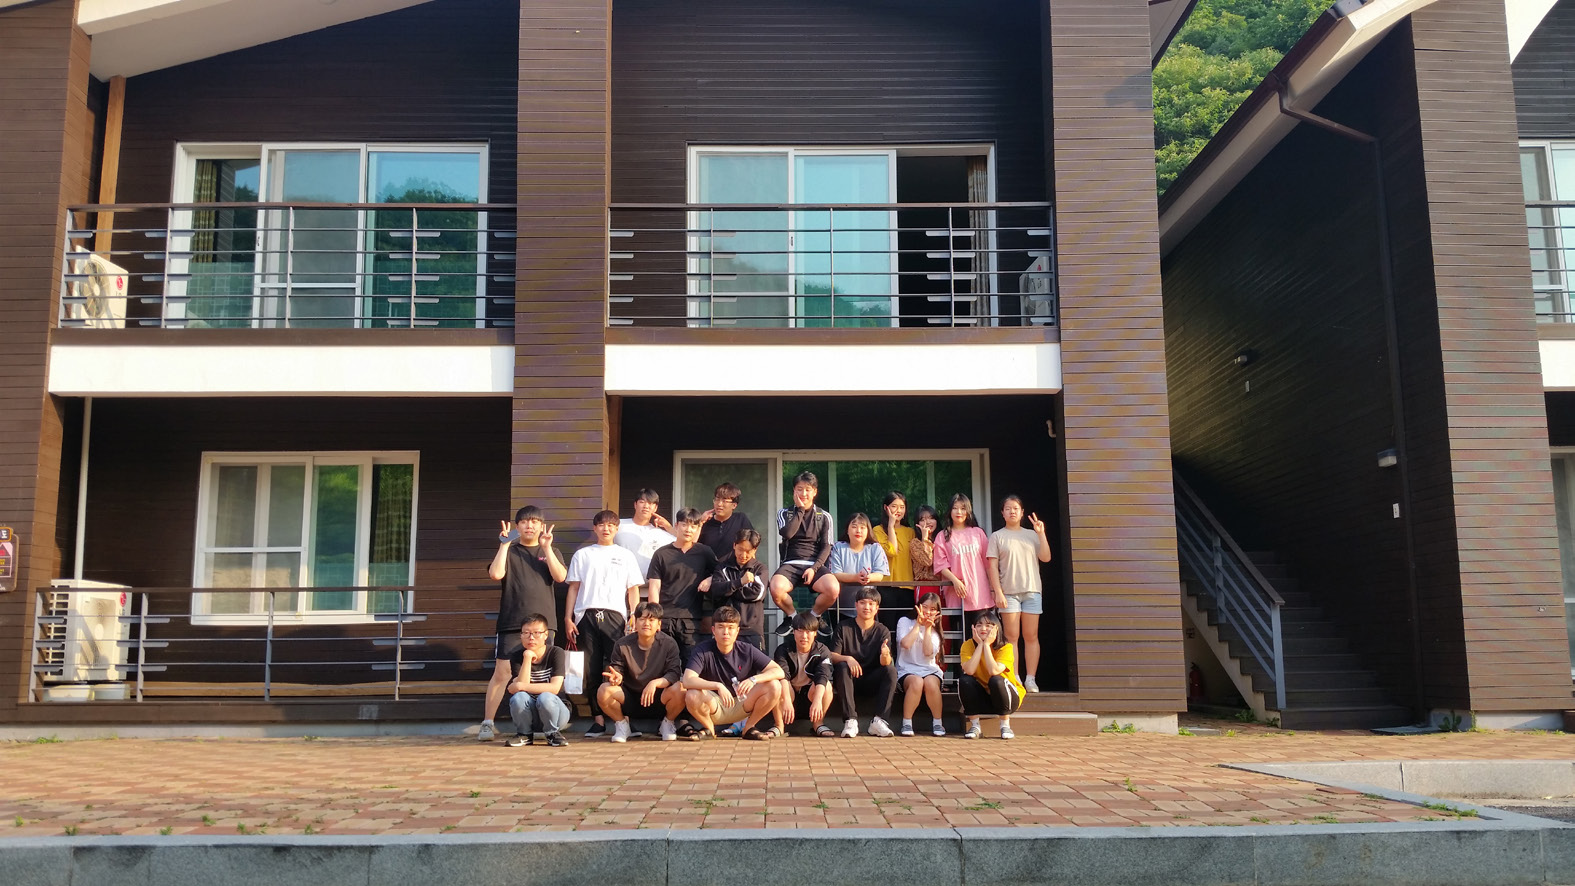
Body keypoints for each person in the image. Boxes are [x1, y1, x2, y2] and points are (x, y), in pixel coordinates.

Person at [477, 506, 566, 742]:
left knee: (542, 675)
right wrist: (504, 545)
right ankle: (487, 723)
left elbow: (560, 577)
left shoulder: (552, 550)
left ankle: (547, 725)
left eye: (535, 521)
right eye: (525, 522)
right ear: (517, 526)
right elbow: (496, 574)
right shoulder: (510, 550)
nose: (530, 525)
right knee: (502, 672)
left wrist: (547, 548)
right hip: (511, 621)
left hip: (543, 625)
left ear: (542, 526)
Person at [564, 509, 646, 738]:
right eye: (601, 524)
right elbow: (573, 588)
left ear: (617, 529)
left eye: (610, 525)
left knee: (619, 668)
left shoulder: (625, 555)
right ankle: (598, 720)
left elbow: (633, 589)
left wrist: (633, 615)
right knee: (590, 669)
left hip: (615, 616)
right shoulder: (583, 554)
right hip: (586, 615)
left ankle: (624, 719)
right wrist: (568, 618)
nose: (606, 528)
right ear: (595, 528)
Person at [682, 605, 785, 739]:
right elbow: (688, 679)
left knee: (774, 685)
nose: (726, 632)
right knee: (692, 694)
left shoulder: (747, 649)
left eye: (730, 628)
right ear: (713, 630)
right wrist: (717, 686)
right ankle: (709, 730)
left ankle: (749, 728)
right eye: (721, 627)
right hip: (714, 703)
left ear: (737, 631)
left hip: (743, 702)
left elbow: (778, 671)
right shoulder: (702, 650)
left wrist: (753, 680)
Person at [987, 496, 1052, 693]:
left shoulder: (1032, 534)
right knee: (1011, 637)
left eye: (1016, 508)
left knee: (1031, 636)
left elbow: (1046, 557)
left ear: (1022, 512)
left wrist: (1041, 533)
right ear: (1002, 513)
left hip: (1032, 591)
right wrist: (998, 592)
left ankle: (1030, 679)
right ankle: (1014, 677)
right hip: (1009, 593)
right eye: (1008, 508)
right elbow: (992, 567)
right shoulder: (997, 536)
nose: (1012, 511)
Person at [598, 601, 688, 742]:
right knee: (604, 690)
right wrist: (616, 678)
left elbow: (674, 673)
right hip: (630, 698)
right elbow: (617, 669)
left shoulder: (669, 644)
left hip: (659, 697)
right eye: (642, 619)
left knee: (681, 689)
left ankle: (667, 723)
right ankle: (622, 725)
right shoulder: (622, 644)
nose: (646, 623)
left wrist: (655, 683)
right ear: (635, 622)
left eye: (651, 620)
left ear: (659, 624)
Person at [769, 471, 839, 637]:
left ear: (815, 492)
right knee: (776, 588)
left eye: (808, 489)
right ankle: (793, 618)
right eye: (799, 489)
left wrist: (814, 568)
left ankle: (815, 617)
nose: (804, 493)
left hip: (815, 563)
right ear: (794, 491)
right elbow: (787, 534)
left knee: (833, 589)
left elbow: (826, 546)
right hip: (790, 563)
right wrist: (800, 510)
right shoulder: (784, 513)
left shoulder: (824, 516)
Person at [645, 508, 717, 666]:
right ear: (676, 525)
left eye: (693, 526)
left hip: (691, 620)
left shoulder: (704, 552)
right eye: (684, 524)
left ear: (697, 529)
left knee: (691, 665)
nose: (688, 529)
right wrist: (655, 618)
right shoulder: (661, 554)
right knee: (661, 664)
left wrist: (710, 579)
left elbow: (720, 573)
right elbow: (654, 587)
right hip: (664, 618)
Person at [829, 586, 897, 738]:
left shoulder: (882, 630)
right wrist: (848, 658)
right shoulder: (843, 627)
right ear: (856, 605)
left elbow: (885, 663)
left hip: (872, 680)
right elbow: (832, 655)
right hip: (849, 680)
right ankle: (850, 720)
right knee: (842, 666)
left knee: (891, 670)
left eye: (871, 604)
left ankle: (879, 721)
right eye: (863, 603)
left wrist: (885, 654)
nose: (867, 607)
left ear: (877, 608)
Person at [933, 493, 1001, 633]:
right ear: (949, 511)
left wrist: (994, 589)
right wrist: (955, 581)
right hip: (956, 594)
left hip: (979, 594)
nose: (959, 512)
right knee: (960, 637)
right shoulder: (942, 536)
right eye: (955, 508)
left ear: (968, 511)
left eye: (963, 508)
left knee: (981, 635)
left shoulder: (978, 533)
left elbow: (988, 564)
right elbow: (940, 564)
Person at [505, 613, 572, 747]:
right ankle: (524, 734)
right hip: (530, 714)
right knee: (519, 697)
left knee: (545, 697)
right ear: (521, 635)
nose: (531, 638)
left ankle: (552, 734)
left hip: (556, 712)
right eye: (526, 633)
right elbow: (521, 689)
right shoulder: (517, 656)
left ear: (546, 635)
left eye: (536, 633)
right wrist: (527, 658)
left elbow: (554, 688)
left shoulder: (556, 653)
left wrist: (520, 686)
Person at [958, 609, 1024, 740]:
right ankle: (975, 726)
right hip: (984, 698)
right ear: (973, 628)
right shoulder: (967, 645)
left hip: (1007, 698)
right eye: (979, 625)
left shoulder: (1006, 647)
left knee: (996, 680)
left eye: (988, 625)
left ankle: (1005, 725)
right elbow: (969, 670)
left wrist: (987, 645)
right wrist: (980, 645)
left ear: (996, 628)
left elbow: (994, 671)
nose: (983, 629)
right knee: (965, 680)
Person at [773, 611, 836, 737]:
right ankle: (779, 726)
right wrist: (787, 700)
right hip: (790, 694)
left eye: (808, 632)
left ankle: (818, 724)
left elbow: (822, 675)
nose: (804, 636)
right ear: (793, 632)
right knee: (777, 684)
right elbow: (783, 675)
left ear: (815, 633)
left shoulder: (822, 650)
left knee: (827, 686)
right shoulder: (783, 650)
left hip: (809, 695)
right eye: (800, 631)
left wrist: (817, 701)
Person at [896, 590, 947, 737]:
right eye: (924, 607)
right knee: (917, 682)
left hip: (930, 669)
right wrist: (918, 625)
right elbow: (905, 644)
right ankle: (907, 723)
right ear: (918, 606)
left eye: (932, 609)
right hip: (906, 669)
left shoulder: (936, 630)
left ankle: (938, 723)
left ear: (937, 612)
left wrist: (928, 628)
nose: (927, 612)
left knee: (930, 683)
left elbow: (927, 652)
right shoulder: (905, 621)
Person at [710, 528, 768, 650]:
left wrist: (729, 590)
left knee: (755, 662)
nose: (743, 555)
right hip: (726, 629)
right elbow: (716, 590)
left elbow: (758, 594)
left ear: (755, 550)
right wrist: (740, 582)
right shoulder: (722, 567)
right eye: (740, 549)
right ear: (734, 545)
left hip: (752, 630)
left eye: (748, 551)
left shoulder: (760, 569)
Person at [827, 512, 890, 616]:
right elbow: (835, 573)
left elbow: (880, 574)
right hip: (841, 607)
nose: (858, 531)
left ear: (868, 530)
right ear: (847, 530)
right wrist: (855, 577)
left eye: (862, 527)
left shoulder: (875, 548)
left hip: (868, 608)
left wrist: (869, 577)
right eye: (854, 527)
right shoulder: (838, 547)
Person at [871, 491, 916, 631]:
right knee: (888, 627)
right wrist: (890, 527)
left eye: (902, 507)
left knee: (905, 628)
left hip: (907, 586)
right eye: (894, 506)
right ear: (886, 508)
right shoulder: (878, 530)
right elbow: (891, 551)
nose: (898, 510)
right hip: (886, 585)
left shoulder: (910, 532)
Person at [614, 488, 676, 576]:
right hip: (621, 580)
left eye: (650, 503)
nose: (646, 506)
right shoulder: (618, 525)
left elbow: (685, 542)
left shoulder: (659, 534)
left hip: (649, 583)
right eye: (642, 502)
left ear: (655, 508)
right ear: (635, 505)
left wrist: (668, 527)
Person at [698, 482, 755, 560]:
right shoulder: (705, 521)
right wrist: (700, 522)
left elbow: (751, 545)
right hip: (708, 566)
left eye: (724, 501)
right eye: (717, 499)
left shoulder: (740, 519)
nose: (719, 504)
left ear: (734, 505)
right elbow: (692, 546)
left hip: (733, 567)